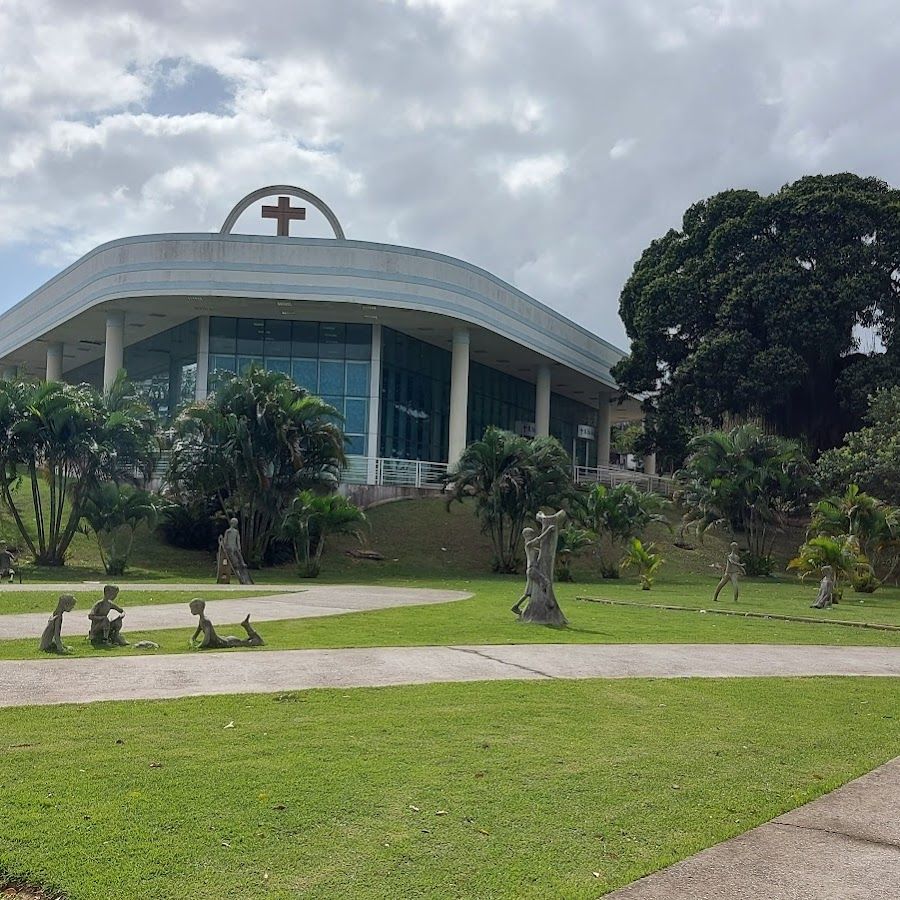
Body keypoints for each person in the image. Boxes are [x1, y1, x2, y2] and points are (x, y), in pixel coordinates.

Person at [189, 598, 264, 649]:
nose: (191, 610)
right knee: (245, 642)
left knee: (258, 642)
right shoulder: (202, 620)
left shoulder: (206, 621)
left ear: (199, 608)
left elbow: (206, 640)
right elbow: (194, 637)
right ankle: (247, 626)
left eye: (192, 608)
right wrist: (193, 642)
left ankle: (247, 626)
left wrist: (197, 647)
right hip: (224, 640)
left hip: (226, 643)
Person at [512, 526, 539, 616]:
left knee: (530, 592)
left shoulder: (532, 547)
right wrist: (548, 531)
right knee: (529, 591)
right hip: (531, 569)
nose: (532, 536)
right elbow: (538, 540)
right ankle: (516, 606)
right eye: (530, 534)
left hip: (534, 568)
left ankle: (517, 606)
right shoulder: (528, 544)